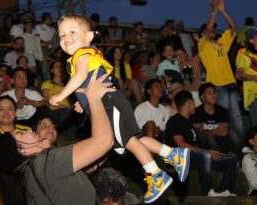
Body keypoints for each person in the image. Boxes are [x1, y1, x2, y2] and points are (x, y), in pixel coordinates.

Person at [49, 15, 190, 203]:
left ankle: (155, 174)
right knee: (135, 139)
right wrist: (81, 101)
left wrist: (61, 95)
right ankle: (173, 154)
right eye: (61, 35)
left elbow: (81, 75)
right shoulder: (85, 56)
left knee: (127, 141)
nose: (66, 38)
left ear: (89, 36)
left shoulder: (81, 54)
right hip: (112, 101)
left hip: (108, 103)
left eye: (72, 32)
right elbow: (88, 81)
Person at [0, 69, 115, 205]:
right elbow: (104, 141)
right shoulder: (44, 161)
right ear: (23, 151)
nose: (26, 131)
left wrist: (91, 109)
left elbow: (94, 158)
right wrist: (94, 97)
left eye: (52, 126)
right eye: (20, 134)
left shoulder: (34, 172)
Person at [165, 90, 237, 196]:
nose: (195, 106)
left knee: (232, 160)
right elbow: (181, 144)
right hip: (177, 160)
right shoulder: (175, 120)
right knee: (206, 155)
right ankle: (207, 192)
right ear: (189, 103)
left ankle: (224, 191)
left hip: (194, 158)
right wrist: (206, 152)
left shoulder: (189, 122)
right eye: (194, 102)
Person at [198, 0, 244, 141]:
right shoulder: (203, 45)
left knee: (237, 119)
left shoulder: (220, 44)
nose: (212, 30)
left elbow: (234, 28)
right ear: (202, 34)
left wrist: (223, 11)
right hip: (217, 86)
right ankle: (227, 149)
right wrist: (214, 11)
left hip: (230, 84)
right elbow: (207, 32)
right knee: (224, 120)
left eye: (213, 28)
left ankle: (242, 151)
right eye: (209, 28)